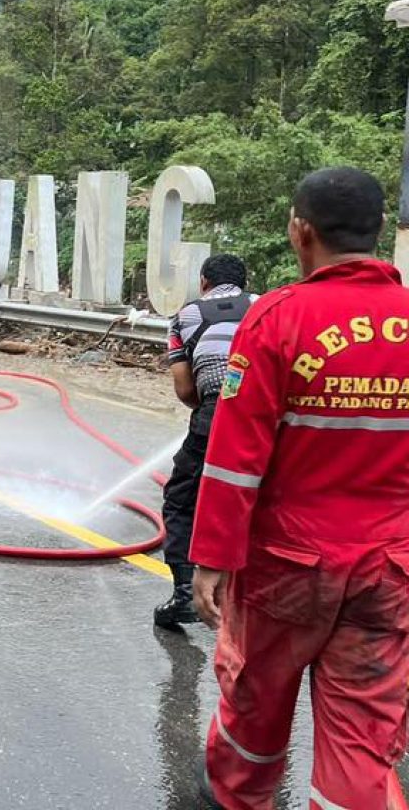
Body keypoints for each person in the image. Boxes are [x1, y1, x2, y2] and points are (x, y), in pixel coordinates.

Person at [191, 167, 409, 810]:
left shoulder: (278, 319)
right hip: (391, 569)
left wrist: (211, 560)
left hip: (288, 565)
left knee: (255, 709)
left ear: (300, 231)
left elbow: (234, 462)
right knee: (363, 738)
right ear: (375, 231)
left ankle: (242, 800)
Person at [154, 254, 253, 628]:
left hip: (216, 411)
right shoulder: (266, 306)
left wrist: (211, 406)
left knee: (182, 497)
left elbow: (185, 389)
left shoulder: (185, 316)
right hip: (269, 412)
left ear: (203, 283)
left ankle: (183, 594)